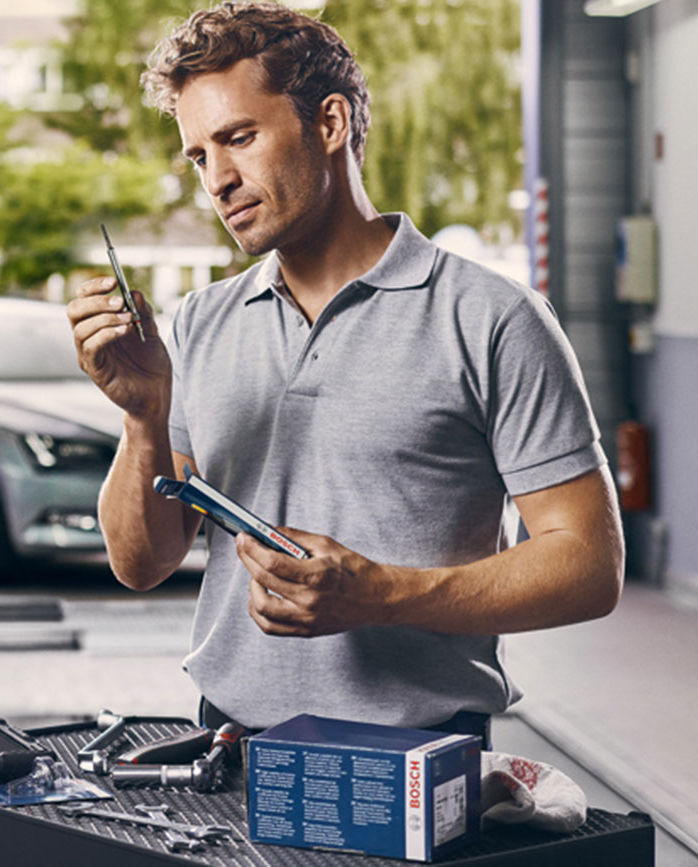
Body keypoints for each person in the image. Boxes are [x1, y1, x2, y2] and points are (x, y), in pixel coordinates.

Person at [66, 1, 623, 747]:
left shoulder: (492, 317)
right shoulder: (203, 320)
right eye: (200, 156)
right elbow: (142, 561)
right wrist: (144, 417)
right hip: (229, 750)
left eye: (240, 138)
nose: (219, 180)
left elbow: (588, 564)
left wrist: (382, 594)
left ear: (329, 124)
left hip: (418, 757)